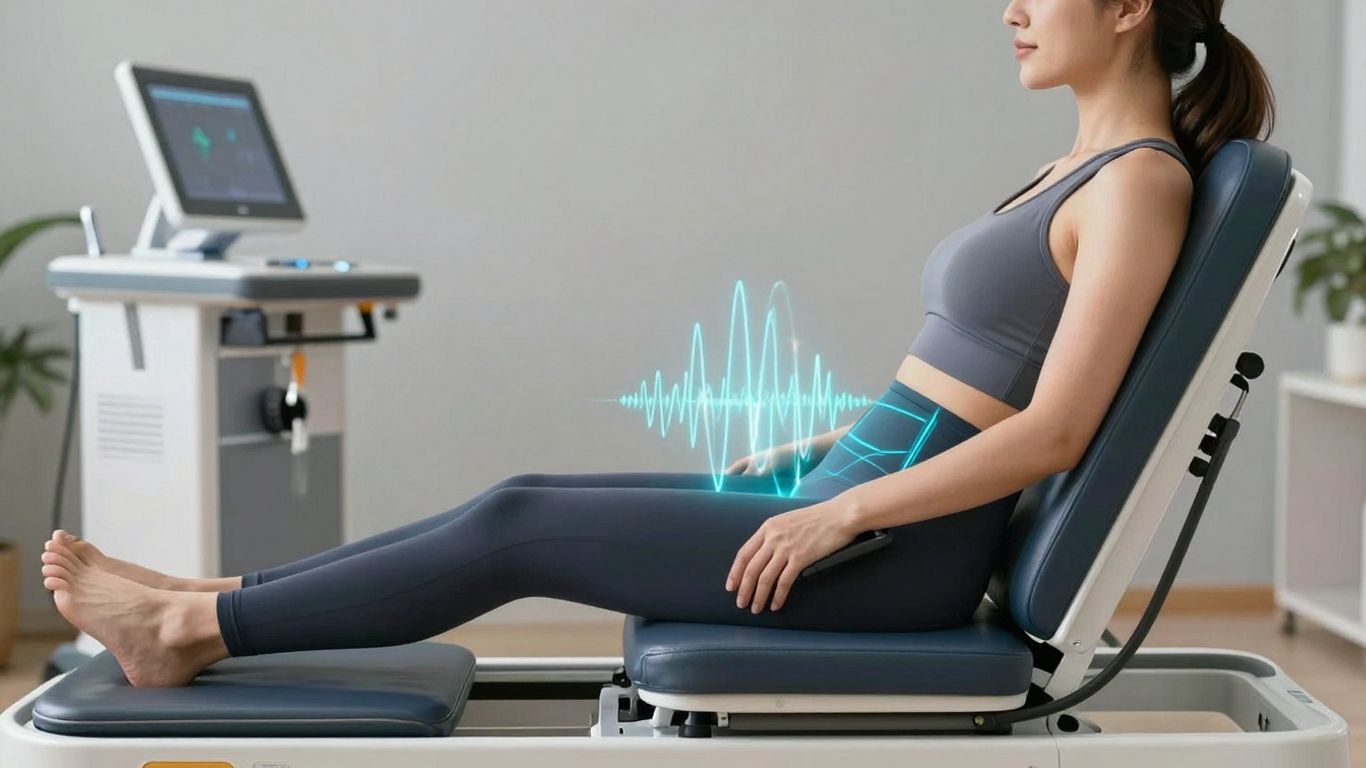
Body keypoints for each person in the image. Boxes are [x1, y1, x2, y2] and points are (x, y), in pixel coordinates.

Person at [39, 0, 1275, 688]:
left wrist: (844, 514)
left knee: (519, 525)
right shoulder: (1078, 167)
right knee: (523, 496)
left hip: (897, 548)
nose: (1008, 10)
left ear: (1125, 10)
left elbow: (1058, 428)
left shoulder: (1138, 184)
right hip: (869, 487)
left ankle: (189, 634)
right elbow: (977, 375)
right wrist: (835, 447)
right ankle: (212, 598)